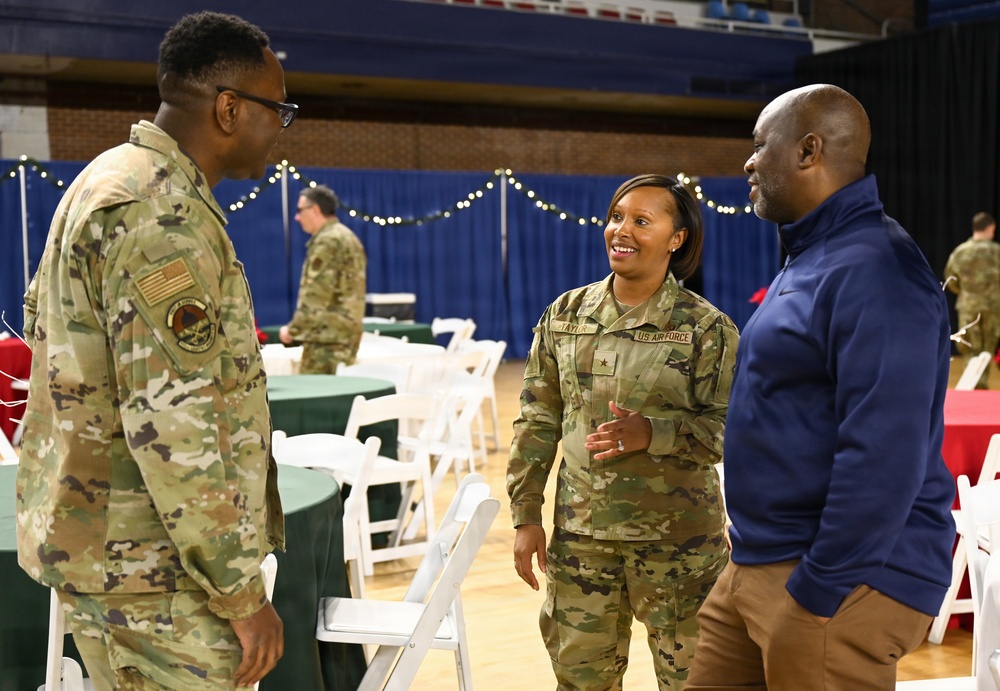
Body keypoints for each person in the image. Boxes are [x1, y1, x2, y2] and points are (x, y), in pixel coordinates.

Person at [17, 11, 296, 689]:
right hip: (159, 576)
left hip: (114, 555)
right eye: (277, 109)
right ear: (229, 109)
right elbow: (174, 425)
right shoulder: (159, 214)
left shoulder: (107, 178)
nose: (281, 127)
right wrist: (240, 594)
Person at [686, 84, 956, 691]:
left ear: (809, 150)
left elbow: (886, 454)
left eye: (760, 146)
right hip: (760, 562)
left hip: (835, 580)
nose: (749, 162)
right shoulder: (813, 255)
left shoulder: (877, 268)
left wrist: (818, 591)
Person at [508, 174, 738, 690]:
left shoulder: (707, 328)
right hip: (582, 540)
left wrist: (653, 434)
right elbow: (536, 420)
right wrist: (525, 515)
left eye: (641, 220)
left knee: (695, 682)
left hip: (679, 547)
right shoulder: (565, 316)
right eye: (616, 217)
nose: (621, 230)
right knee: (581, 681)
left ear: (676, 238)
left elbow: (730, 431)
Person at [278, 184, 366, 373]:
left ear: (315, 209)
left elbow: (316, 294)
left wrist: (293, 330)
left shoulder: (328, 240)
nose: (297, 217)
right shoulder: (347, 236)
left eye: (300, 210)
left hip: (325, 340)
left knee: (313, 398)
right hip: (345, 336)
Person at [944, 211, 1000, 389]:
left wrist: (967, 293)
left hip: (968, 307)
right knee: (987, 349)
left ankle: (974, 389)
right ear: (990, 228)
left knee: (969, 350)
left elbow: (950, 279)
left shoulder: (960, 252)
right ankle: (981, 385)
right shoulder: (996, 252)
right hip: (993, 308)